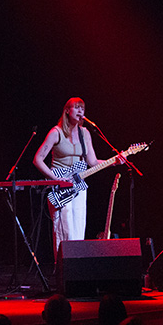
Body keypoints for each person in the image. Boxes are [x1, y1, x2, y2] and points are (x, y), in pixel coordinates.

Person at [33, 97, 123, 254]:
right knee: (64, 227)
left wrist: (115, 161)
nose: (81, 111)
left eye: (83, 108)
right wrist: (54, 179)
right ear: (67, 110)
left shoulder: (85, 133)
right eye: (77, 107)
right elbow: (38, 159)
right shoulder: (56, 132)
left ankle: (76, 266)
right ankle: (62, 267)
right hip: (61, 185)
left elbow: (93, 162)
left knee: (79, 226)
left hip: (79, 185)